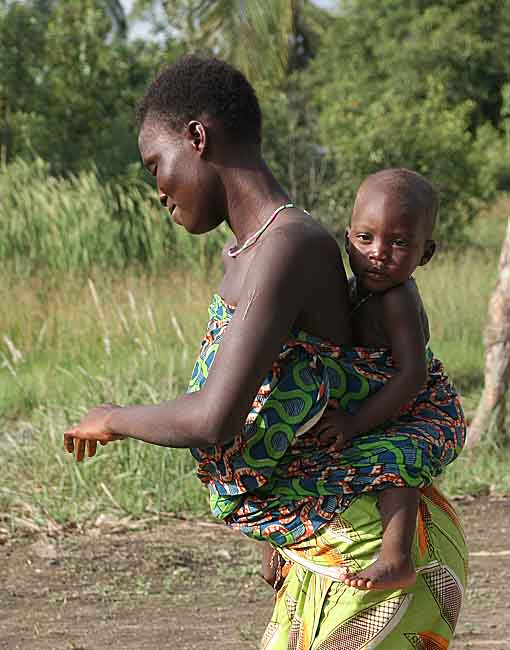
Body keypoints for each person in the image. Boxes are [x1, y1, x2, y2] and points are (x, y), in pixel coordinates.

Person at [64, 55, 468, 649]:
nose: (159, 193)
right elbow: (278, 417)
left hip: (368, 557)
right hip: (318, 547)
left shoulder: (291, 245)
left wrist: (114, 418)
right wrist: (274, 536)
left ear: (197, 138)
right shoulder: (249, 253)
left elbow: (216, 418)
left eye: (156, 165)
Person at [312, 168, 466, 592]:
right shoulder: (350, 290)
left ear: (426, 253)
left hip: (420, 409)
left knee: (398, 458)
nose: (378, 253)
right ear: (347, 240)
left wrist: (356, 422)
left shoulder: (397, 299)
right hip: (382, 403)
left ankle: (396, 557)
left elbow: (412, 374)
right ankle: (283, 546)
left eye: (399, 243)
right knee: (307, 450)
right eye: (366, 239)